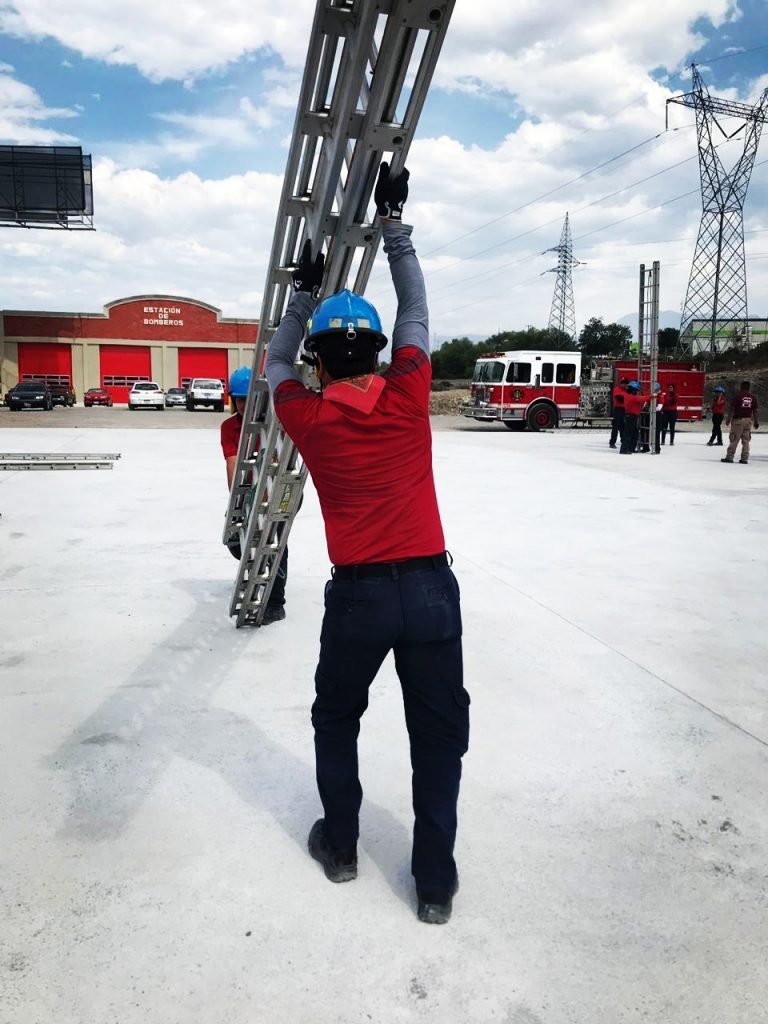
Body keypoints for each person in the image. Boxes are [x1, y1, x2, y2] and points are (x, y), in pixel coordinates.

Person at [264, 163, 469, 925]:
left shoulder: (306, 416)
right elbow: (415, 307)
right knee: (438, 735)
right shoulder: (411, 392)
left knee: (337, 717)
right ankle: (435, 886)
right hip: (428, 591)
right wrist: (393, 224)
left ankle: (342, 846)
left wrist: (301, 296)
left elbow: (274, 364)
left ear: (321, 360)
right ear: (379, 353)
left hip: (358, 597)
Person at [220, 366, 288, 625]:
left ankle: (275, 602)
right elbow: (232, 462)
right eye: (240, 399)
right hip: (249, 493)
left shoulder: (277, 420)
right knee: (237, 541)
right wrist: (237, 504)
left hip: (282, 489)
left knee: (274, 539)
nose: (246, 404)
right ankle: (260, 570)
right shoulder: (230, 427)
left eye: (251, 399)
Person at [722, 380, 759, 465]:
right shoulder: (753, 397)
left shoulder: (738, 396)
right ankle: (744, 459)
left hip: (738, 420)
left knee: (734, 439)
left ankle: (729, 457)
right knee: (746, 441)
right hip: (748, 420)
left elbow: (732, 409)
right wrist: (756, 422)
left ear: (741, 387)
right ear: (749, 388)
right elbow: (755, 411)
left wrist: (728, 419)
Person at [620, 380, 654, 454]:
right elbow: (642, 398)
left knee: (634, 433)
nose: (637, 392)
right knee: (628, 434)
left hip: (631, 416)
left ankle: (630, 448)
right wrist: (651, 396)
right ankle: (624, 450)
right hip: (631, 416)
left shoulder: (627, 396)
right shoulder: (632, 397)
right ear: (633, 390)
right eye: (636, 390)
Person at [609, 377, 628, 449]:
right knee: (616, 427)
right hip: (618, 410)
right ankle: (612, 442)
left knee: (623, 427)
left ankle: (623, 441)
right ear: (621, 384)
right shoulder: (617, 389)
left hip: (624, 410)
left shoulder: (626, 390)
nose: (625, 385)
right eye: (624, 384)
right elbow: (620, 399)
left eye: (626, 384)